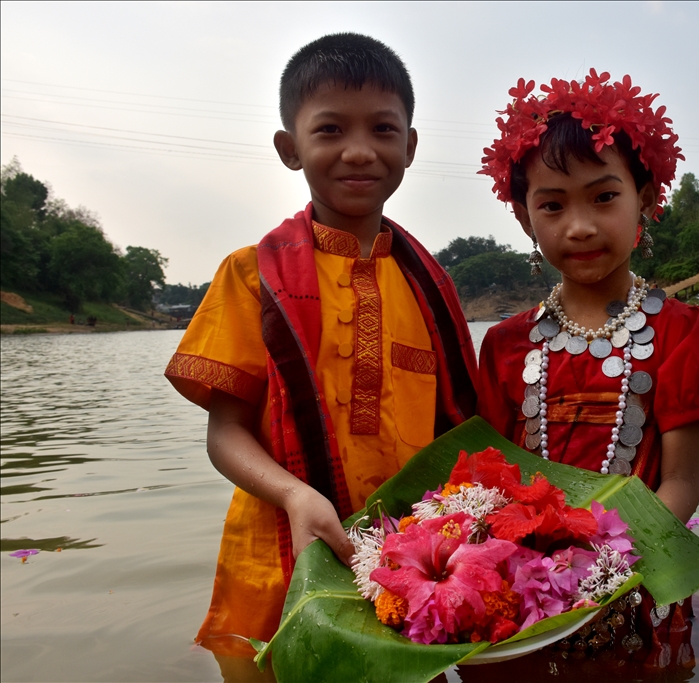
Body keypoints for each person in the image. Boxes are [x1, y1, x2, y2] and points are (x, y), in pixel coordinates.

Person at [163, 33, 476, 662]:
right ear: (290, 148)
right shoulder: (250, 276)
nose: (359, 152)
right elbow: (224, 432)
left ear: (410, 147)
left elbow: (457, 435)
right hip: (281, 547)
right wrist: (294, 495)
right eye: (330, 130)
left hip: (411, 561)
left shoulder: (430, 289)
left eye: (383, 130)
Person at [469, 71, 699, 678]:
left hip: (635, 582)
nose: (579, 225)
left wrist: (606, 578)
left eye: (604, 196)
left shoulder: (686, 333)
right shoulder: (504, 344)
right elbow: (491, 482)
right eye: (552, 204)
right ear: (523, 215)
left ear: (646, 196)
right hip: (522, 590)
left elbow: (681, 485)